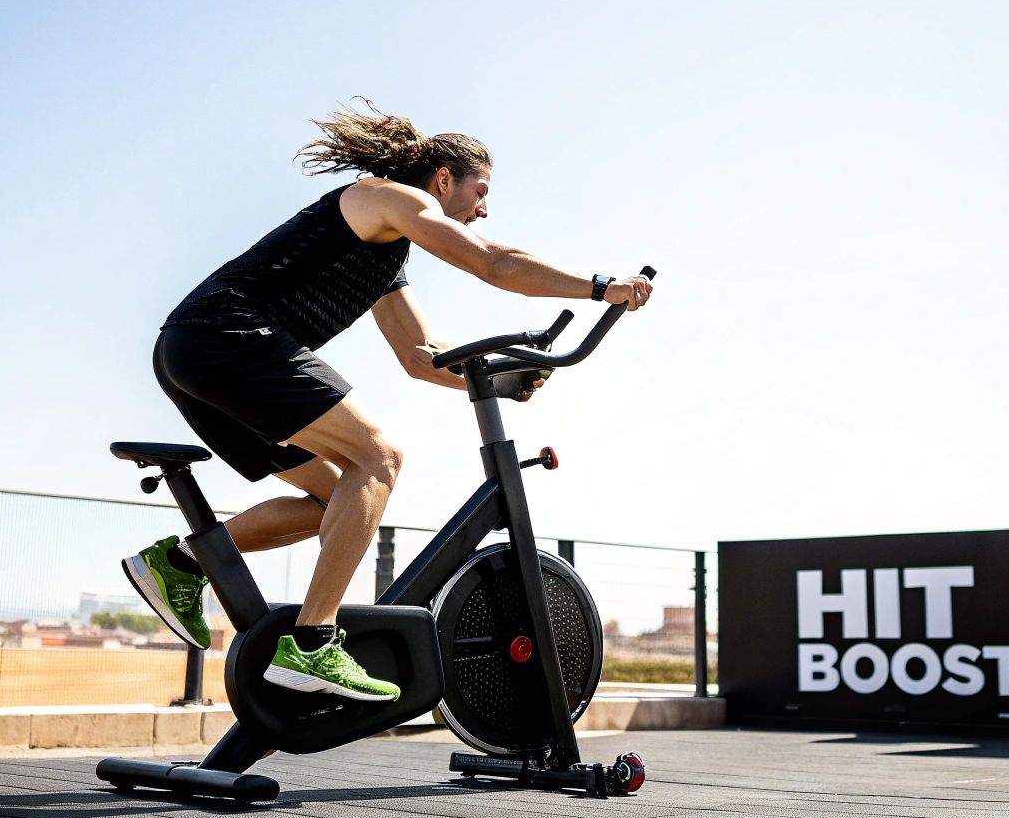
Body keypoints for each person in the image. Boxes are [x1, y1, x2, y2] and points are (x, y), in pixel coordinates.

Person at [123, 102, 653, 701]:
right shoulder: (388, 198)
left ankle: (183, 564)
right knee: (380, 457)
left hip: (192, 354)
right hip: (230, 338)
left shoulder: (385, 253)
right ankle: (314, 646)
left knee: (338, 499)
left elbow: (421, 357)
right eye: (480, 191)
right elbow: (494, 263)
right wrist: (599, 287)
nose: (484, 208)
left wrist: (503, 380)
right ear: (444, 178)